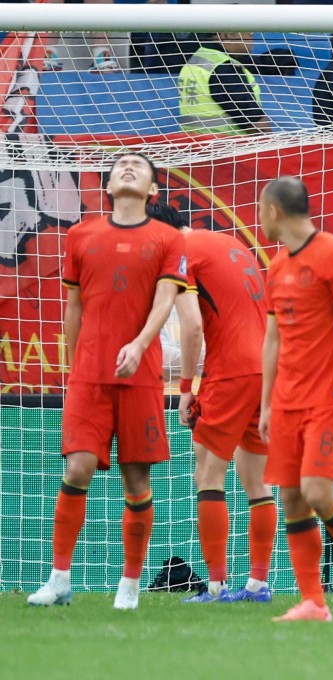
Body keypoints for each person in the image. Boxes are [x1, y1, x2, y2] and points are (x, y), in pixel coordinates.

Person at [27, 152, 188, 610]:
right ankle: (59, 579)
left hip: (142, 377)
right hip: (89, 379)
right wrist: (78, 367)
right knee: (76, 468)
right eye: (120, 165)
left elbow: (165, 301)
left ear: (153, 190)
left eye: (138, 165)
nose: (128, 167)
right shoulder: (81, 235)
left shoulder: (167, 238)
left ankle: (130, 585)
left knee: (135, 482)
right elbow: (73, 307)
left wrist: (138, 346)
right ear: (108, 185)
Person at [257, 176, 333, 622]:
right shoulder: (275, 265)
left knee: (316, 491)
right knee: (290, 497)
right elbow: (272, 339)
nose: (259, 217)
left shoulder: (332, 253)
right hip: (287, 401)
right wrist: (267, 403)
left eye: (260, 209)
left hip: (328, 397)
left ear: (273, 211)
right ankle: (314, 601)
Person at [145, 202, 279, 604]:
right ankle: (257, 585)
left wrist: (187, 386)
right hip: (266, 370)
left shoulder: (182, 253)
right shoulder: (231, 244)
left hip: (230, 371)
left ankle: (217, 587)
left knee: (208, 475)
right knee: (257, 481)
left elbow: (192, 325)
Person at [177, 32, 271, 135]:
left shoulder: (197, 60)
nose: (252, 37)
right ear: (227, 34)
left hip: (193, 144)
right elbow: (257, 125)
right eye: (248, 33)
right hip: (229, 146)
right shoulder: (223, 68)